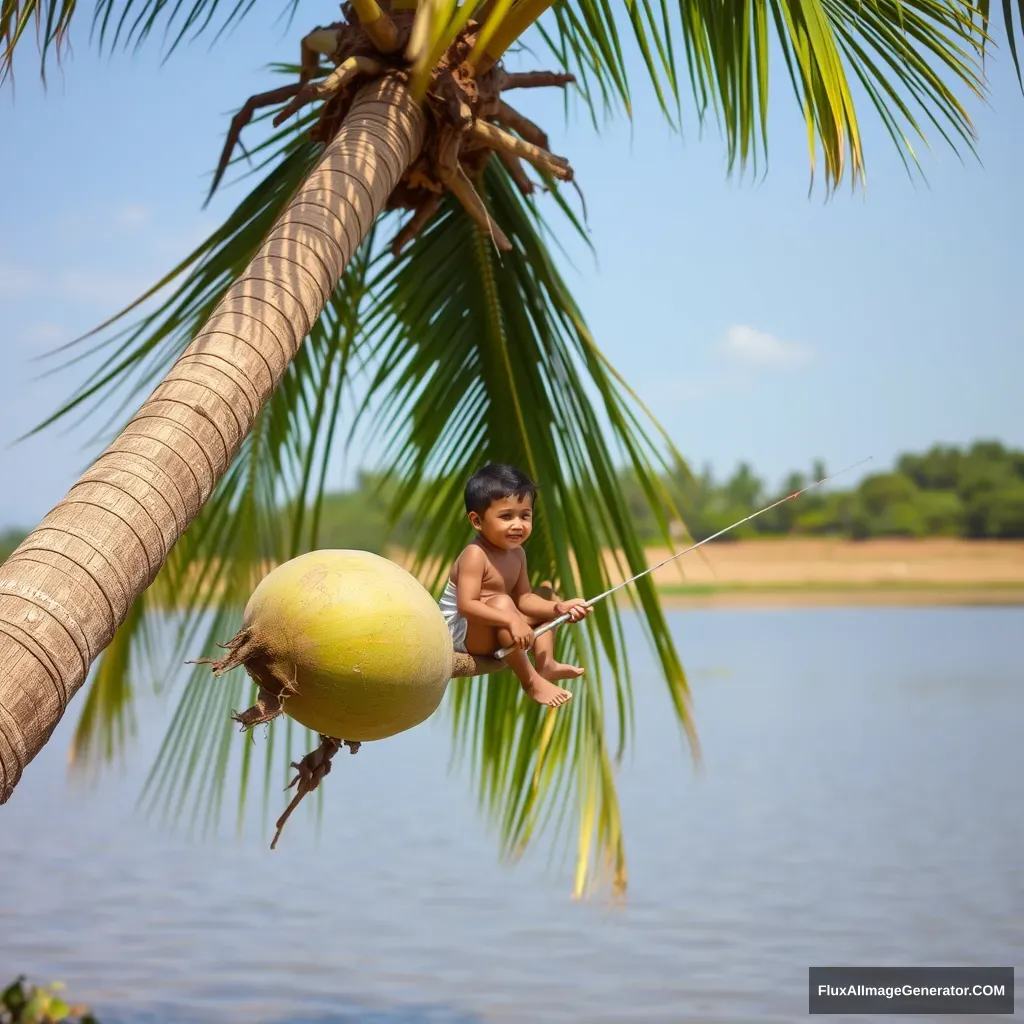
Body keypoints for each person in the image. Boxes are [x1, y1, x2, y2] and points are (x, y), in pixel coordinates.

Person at [438, 463, 591, 708]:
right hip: (461, 633)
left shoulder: (517, 554)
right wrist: (511, 620)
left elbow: (525, 600)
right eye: (506, 516)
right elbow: (466, 606)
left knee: (546, 596)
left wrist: (558, 609)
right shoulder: (475, 555)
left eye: (525, 515)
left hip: (492, 623)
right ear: (477, 521)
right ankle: (530, 681)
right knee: (502, 602)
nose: (518, 524)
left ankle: (546, 664)